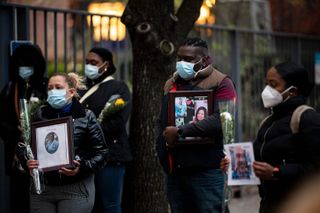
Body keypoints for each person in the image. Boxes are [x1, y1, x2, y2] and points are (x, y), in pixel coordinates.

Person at [221, 62, 320, 213]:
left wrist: (276, 172)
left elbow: (314, 170)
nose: (267, 90)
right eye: (267, 84)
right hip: (268, 205)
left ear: (292, 91)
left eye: (273, 85)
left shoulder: (307, 118)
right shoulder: (268, 122)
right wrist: (232, 165)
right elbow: (255, 160)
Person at [156, 37, 237, 213]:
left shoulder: (222, 82)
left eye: (188, 59)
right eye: (179, 58)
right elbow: (163, 120)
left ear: (205, 60)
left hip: (207, 172)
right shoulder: (171, 83)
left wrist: (180, 131)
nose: (181, 63)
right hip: (175, 171)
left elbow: (224, 119)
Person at [26, 73, 108, 213]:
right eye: (50, 88)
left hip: (75, 188)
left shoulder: (85, 116)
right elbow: (27, 147)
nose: (53, 91)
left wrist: (81, 168)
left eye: (58, 87)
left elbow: (102, 153)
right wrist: (27, 161)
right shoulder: (39, 115)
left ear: (71, 92)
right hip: (43, 190)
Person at [80, 47, 132, 213]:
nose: (89, 66)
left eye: (94, 62)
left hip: (111, 156)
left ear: (106, 65)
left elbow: (118, 122)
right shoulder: (82, 88)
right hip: (87, 157)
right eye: (87, 62)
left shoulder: (118, 87)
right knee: (90, 206)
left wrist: (90, 131)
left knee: (110, 205)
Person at [0, 43, 47, 213]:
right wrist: (15, 131)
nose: (24, 69)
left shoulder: (45, 87)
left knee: (40, 199)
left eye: (28, 65)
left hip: (41, 154)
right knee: (18, 199)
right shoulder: (10, 88)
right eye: (21, 66)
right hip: (16, 154)